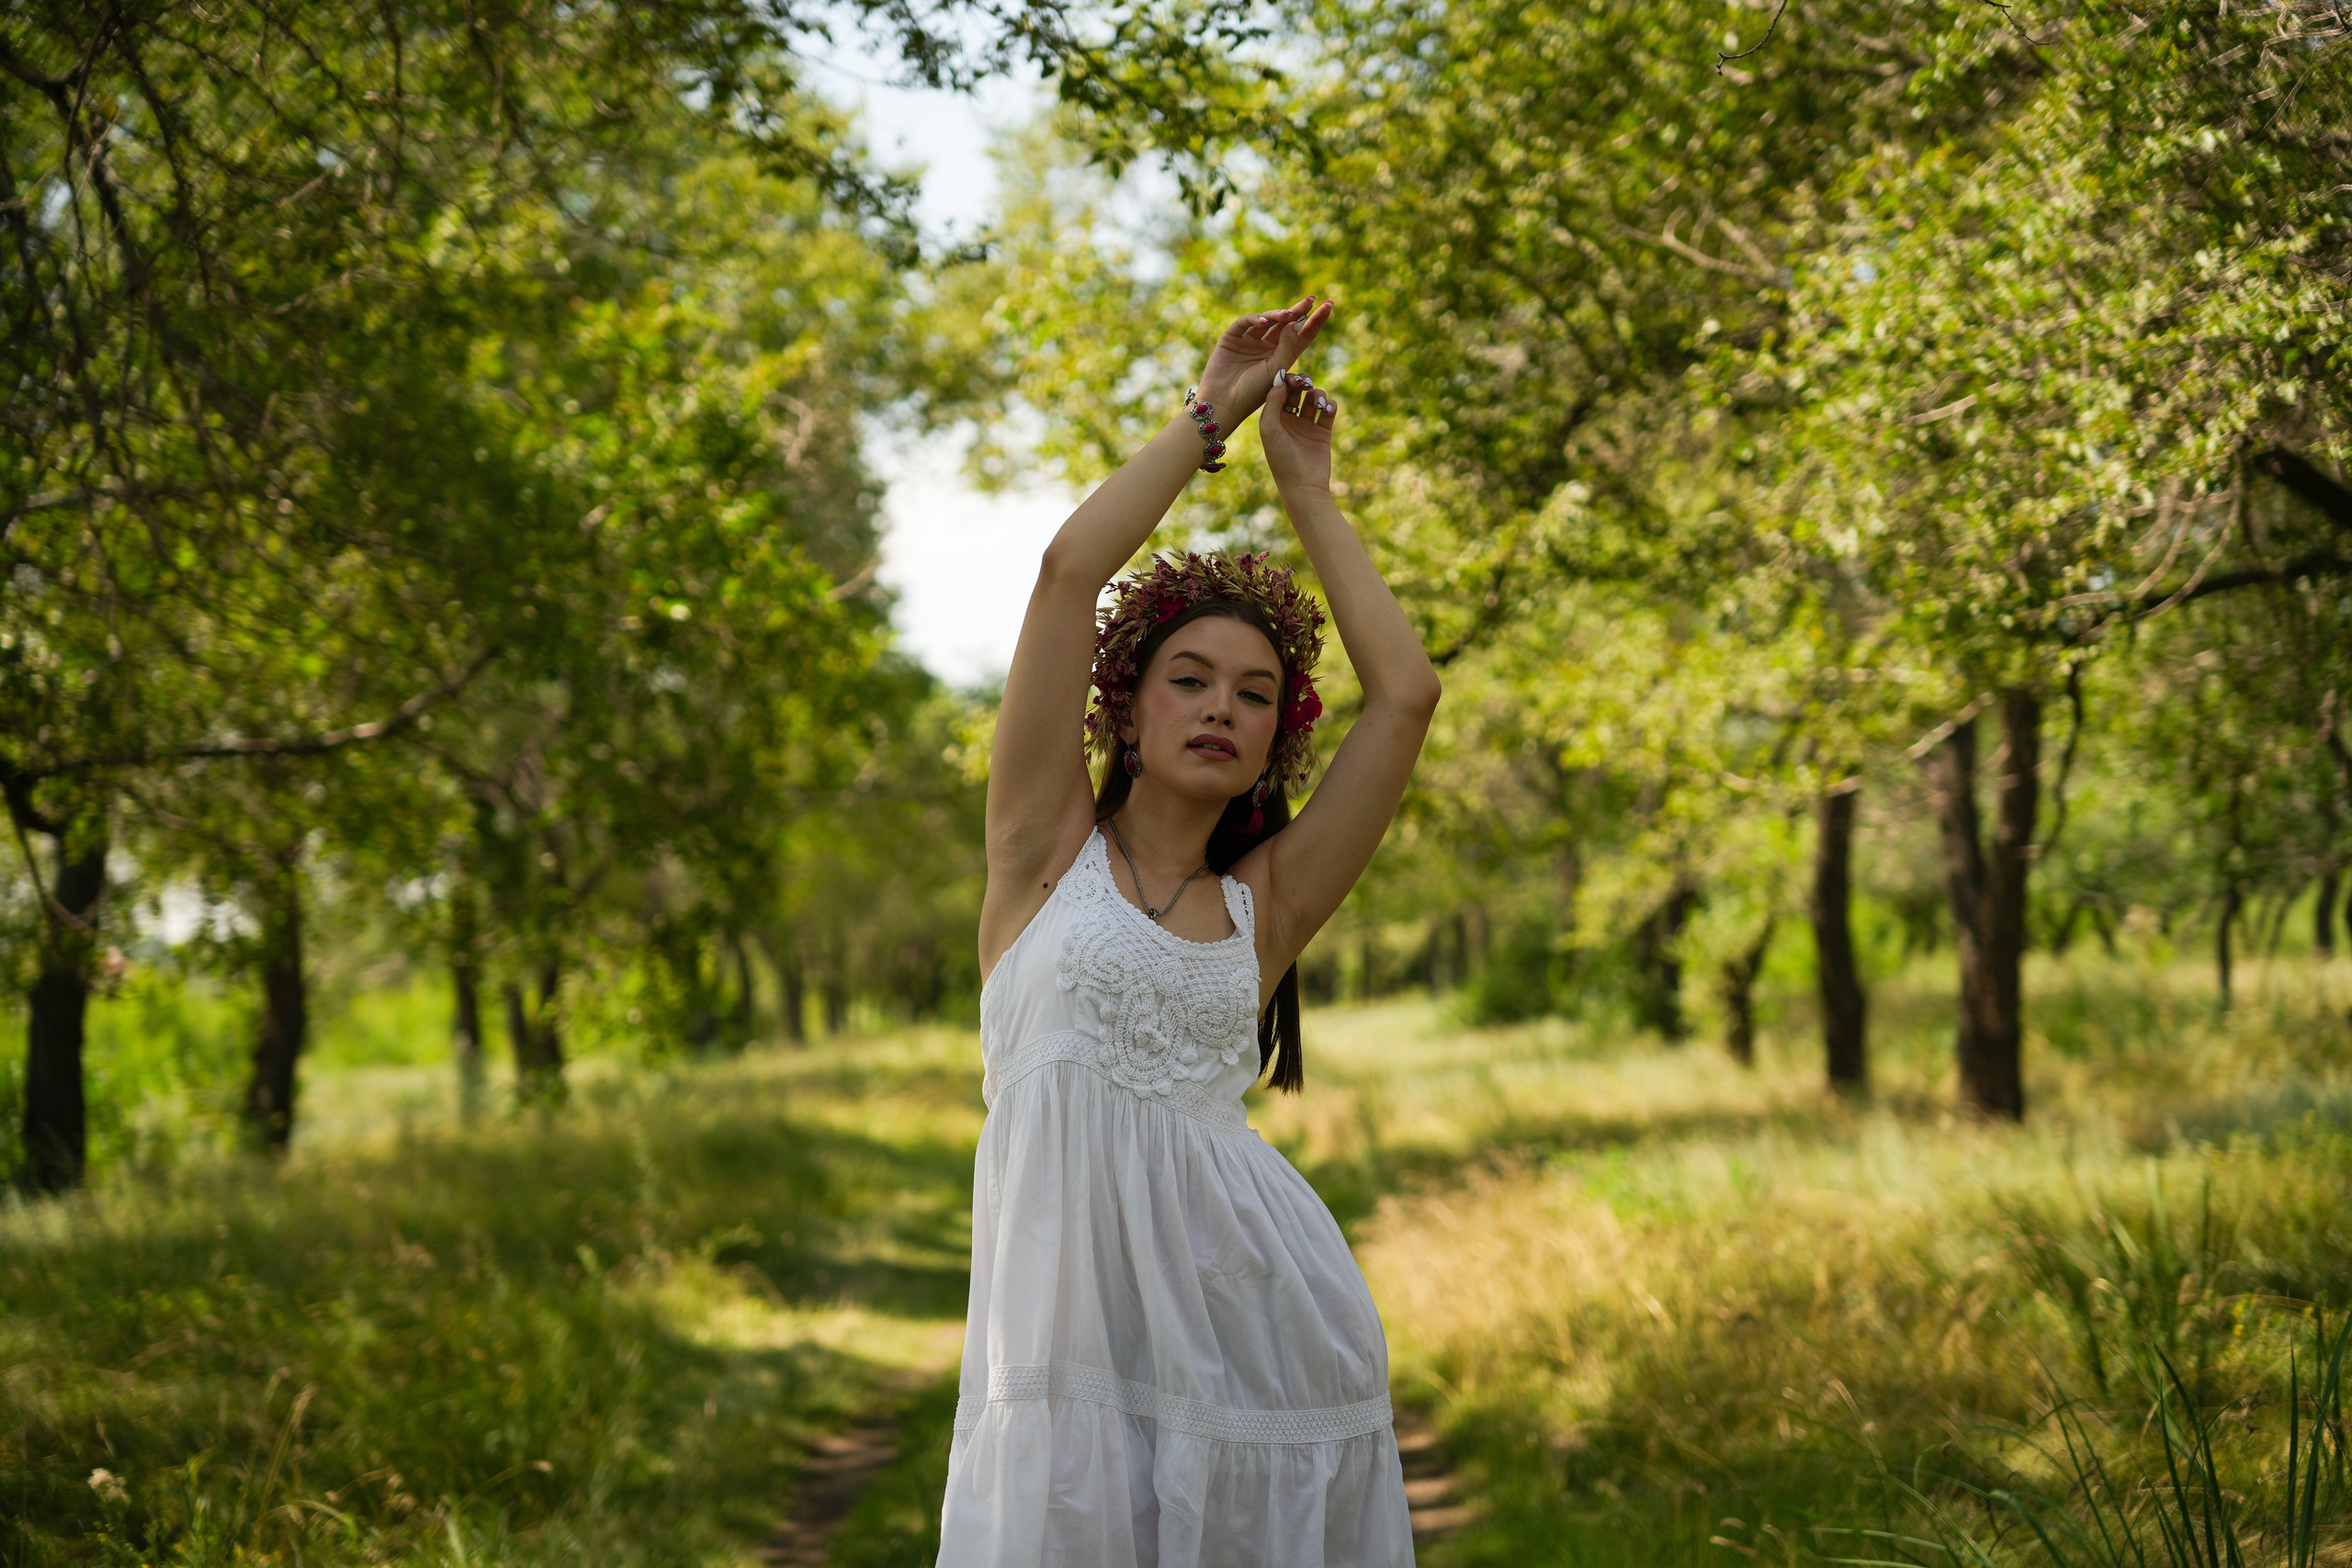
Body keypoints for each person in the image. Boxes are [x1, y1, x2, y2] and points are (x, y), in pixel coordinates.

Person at [940, 297, 1442, 1567]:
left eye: (1256, 694)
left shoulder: (1267, 907)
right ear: (1128, 705)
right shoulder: (1041, 852)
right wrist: (1210, 416)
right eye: (1191, 680)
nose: (1222, 707)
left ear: (1277, 737)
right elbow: (1069, 573)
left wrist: (1308, 491)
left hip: (1259, 1352)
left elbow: (1407, 695)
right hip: (1062, 1368)